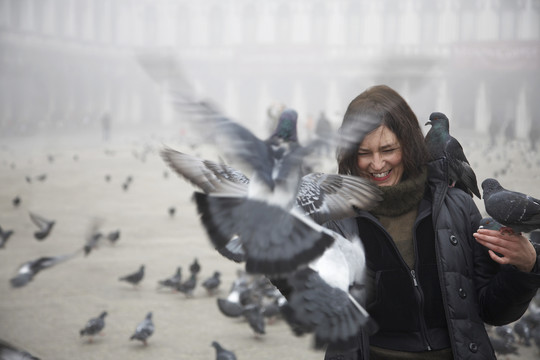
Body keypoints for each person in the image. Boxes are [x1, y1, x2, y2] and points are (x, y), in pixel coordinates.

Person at [322, 85, 540, 360]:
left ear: (409, 145)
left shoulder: (456, 206)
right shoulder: (336, 220)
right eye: (364, 153)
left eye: (388, 149)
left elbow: (492, 311)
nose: (377, 164)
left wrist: (523, 269)